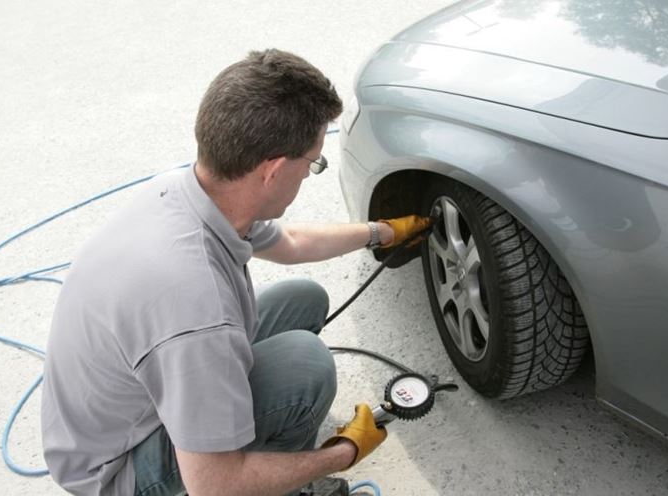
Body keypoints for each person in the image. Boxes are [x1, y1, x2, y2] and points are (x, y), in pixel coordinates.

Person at [41, 49, 431, 496]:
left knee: (304, 299)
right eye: (312, 163)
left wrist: (380, 232)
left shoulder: (191, 192)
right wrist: (344, 450)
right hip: (118, 470)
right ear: (274, 170)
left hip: (111, 411)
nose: (310, 174)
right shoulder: (195, 307)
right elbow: (215, 484)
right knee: (307, 369)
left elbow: (293, 243)